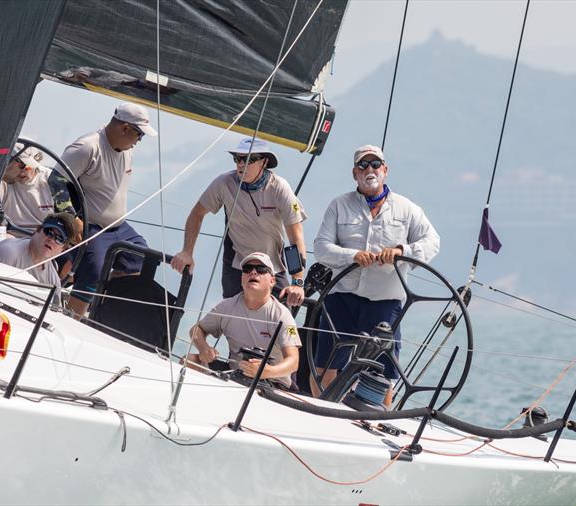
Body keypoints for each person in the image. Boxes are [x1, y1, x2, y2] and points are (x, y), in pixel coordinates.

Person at [312, 144, 440, 405]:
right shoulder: (339, 205)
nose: (369, 170)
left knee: (383, 371)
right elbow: (320, 248)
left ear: (385, 170)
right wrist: (352, 256)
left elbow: (432, 242)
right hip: (342, 297)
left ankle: (379, 421)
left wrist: (402, 250)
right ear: (354, 173)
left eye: (375, 164)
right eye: (363, 165)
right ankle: (323, 413)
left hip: (385, 302)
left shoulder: (407, 209)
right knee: (326, 364)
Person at [171, 137, 307, 306]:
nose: (241, 164)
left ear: (264, 162)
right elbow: (196, 214)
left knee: (281, 321)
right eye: (238, 159)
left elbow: (296, 237)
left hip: (272, 267)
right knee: (234, 322)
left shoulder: (280, 188)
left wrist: (297, 282)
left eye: (249, 159)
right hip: (236, 266)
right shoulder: (223, 183)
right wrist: (187, 252)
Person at [59, 102, 157, 316]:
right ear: (125, 128)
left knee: (144, 261)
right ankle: (73, 318)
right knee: (94, 270)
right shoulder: (87, 147)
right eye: (139, 135)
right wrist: (71, 218)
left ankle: (97, 298)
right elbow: (56, 181)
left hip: (119, 227)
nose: (138, 142)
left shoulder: (126, 149)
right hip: (92, 226)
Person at [187, 252, 301, 389]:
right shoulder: (226, 306)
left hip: (273, 383)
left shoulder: (283, 315)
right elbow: (196, 329)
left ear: (272, 281)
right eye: (247, 269)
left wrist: (268, 371)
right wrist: (203, 347)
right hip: (234, 374)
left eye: (261, 269)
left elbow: (294, 361)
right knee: (189, 361)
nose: (253, 272)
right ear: (242, 278)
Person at [0, 213, 83, 298]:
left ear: (63, 249)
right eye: (49, 232)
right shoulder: (9, 253)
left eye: (59, 239)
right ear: (36, 231)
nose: (51, 240)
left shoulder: (54, 280)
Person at [0, 143, 72, 234]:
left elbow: (70, 221)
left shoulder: (52, 180)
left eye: (28, 165)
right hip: (10, 237)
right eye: (20, 166)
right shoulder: (2, 182)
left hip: (45, 238)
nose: (24, 170)